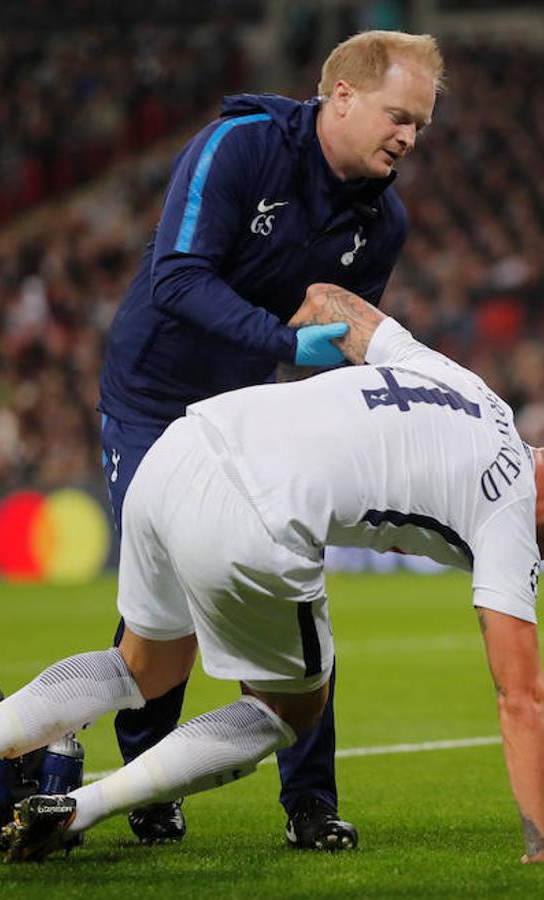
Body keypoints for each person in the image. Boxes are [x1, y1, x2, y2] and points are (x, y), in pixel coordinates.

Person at [0, 283, 544, 867]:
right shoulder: (511, 505)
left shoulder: (468, 388)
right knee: (291, 709)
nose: (541, 554)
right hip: (255, 514)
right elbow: (521, 697)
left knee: (140, 667)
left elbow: (329, 303)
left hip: (186, 444)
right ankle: (79, 809)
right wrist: (543, 848)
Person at [97, 30, 444, 850]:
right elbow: (175, 279)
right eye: (399, 116)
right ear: (343, 95)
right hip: (152, 399)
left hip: (250, 409)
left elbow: (344, 345)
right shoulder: (237, 147)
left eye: (421, 126)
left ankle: (310, 803)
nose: (409, 137)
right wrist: (286, 344)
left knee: (293, 587)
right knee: (173, 604)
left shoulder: (381, 221)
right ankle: (147, 784)